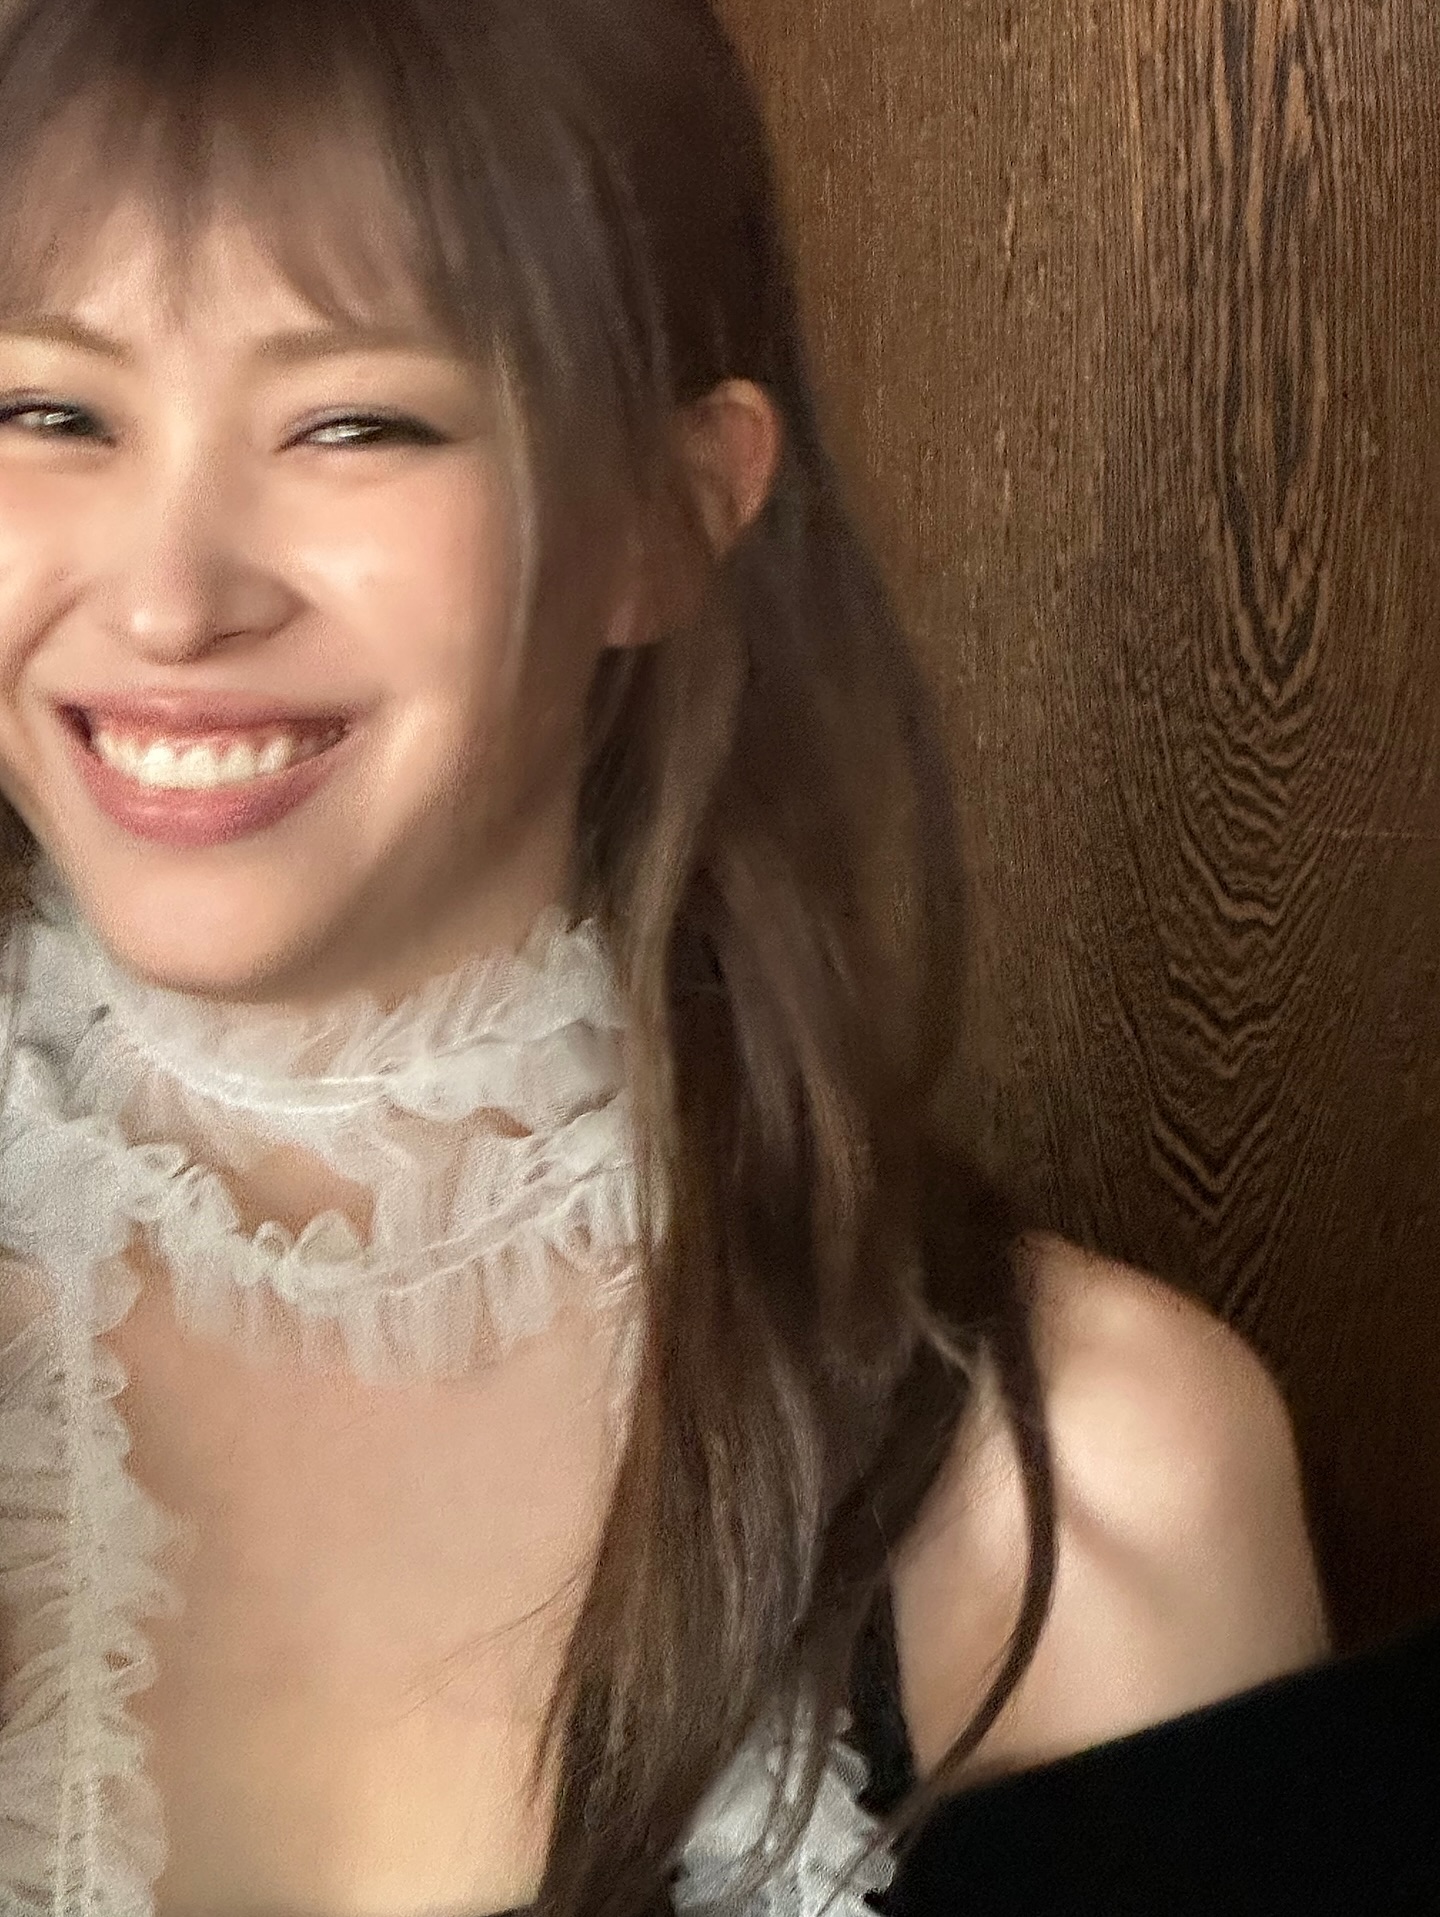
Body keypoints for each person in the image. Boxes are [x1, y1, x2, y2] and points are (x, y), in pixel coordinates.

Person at [0, 1, 1332, 1913]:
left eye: (356, 421)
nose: (169, 594)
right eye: (49, 411)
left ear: (673, 509)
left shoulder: (1090, 1492)